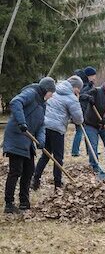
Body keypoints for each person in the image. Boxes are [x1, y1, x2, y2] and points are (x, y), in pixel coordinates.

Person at [3, 77, 55, 213]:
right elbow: (15, 102)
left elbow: (41, 125)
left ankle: (24, 202)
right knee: (16, 170)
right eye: (51, 92)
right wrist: (21, 122)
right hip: (16, 136)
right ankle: (9, 204)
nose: (52, 95)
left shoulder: (43, 104)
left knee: (29, 170)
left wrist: (41, 141)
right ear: (46, 90)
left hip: (27, 140)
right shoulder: (31, 93)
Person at [31, 76, 84, 190]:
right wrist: (77, 101)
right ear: (75, 87)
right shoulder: (71, 98)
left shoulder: (54, 90)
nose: (78, 92)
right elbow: (78, 119)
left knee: (45, 155)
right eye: (78, 89)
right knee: (58, 157)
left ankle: (35, 180)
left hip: (44, 126)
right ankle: (57, 184)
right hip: (57, 129)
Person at [80, 80, 105, 175]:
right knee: (93, 146)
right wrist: (88, 98)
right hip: (91, 124)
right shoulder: (96, 92)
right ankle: (95, 166)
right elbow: (81, 96)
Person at [71, 66, 97, 156]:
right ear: (88, 75)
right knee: (79, 131)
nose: (94, 77)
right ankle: (75, 152)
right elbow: (80, 95)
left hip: (86, 111)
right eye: (93, 75)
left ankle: (89, 151)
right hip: (80, 111)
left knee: (87, 131)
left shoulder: (87, 83)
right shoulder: (81, 83)